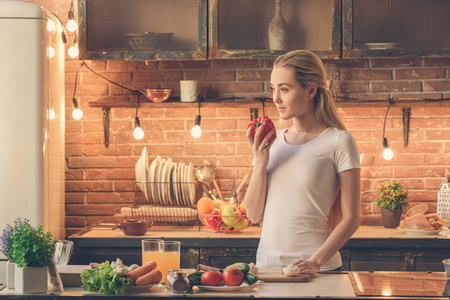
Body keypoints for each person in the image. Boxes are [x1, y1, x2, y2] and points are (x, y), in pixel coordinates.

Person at [244, 50, 361, 275]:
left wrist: (316, 262)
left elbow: (352, 219)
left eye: (285, 89)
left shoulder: (339, 141)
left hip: (318, 270)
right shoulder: (272, 141)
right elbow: (253, 214)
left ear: (311, 90)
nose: (276, 98)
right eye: (273, 88)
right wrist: (260, 161)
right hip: (267, 269)